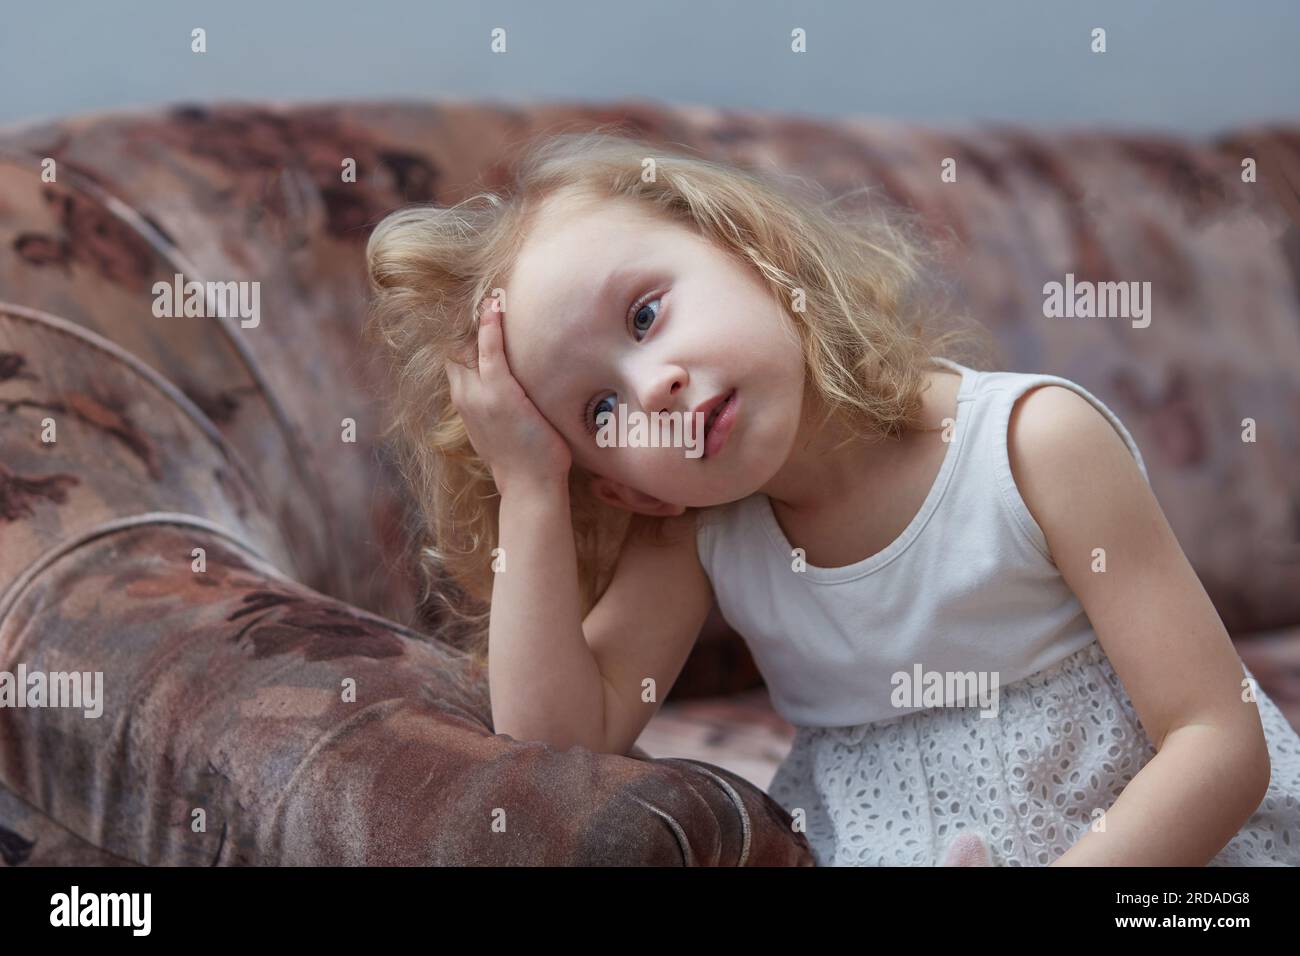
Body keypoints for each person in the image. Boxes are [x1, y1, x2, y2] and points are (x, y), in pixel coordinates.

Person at [364, 128, 1300, 866]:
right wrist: (532, 487)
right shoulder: (701, 534)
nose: (652, 390)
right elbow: (555, 742)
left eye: (646, 315)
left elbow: (1218, 741)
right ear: (628, 490)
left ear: (757, 253)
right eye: (599, 410)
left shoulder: (1033, 445)